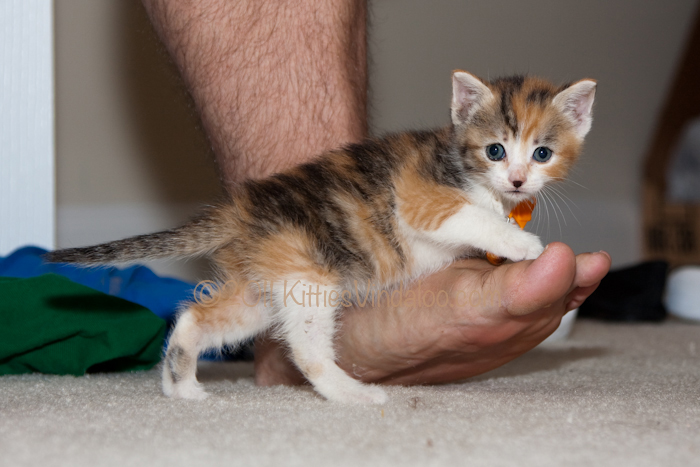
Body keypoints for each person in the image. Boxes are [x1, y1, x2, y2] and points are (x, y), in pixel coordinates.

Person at [140, 0, 611, 386]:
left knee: (258, 300)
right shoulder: (447, 175)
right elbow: (422, 211)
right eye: (496, 151)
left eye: (541, 155)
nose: (517, 176)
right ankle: (324, 367)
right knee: (310, 282)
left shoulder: (491, 180)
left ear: (578, 123)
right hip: (322, 231)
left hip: (324, 234)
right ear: (464, 111)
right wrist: (509, 239)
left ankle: (197, 332)